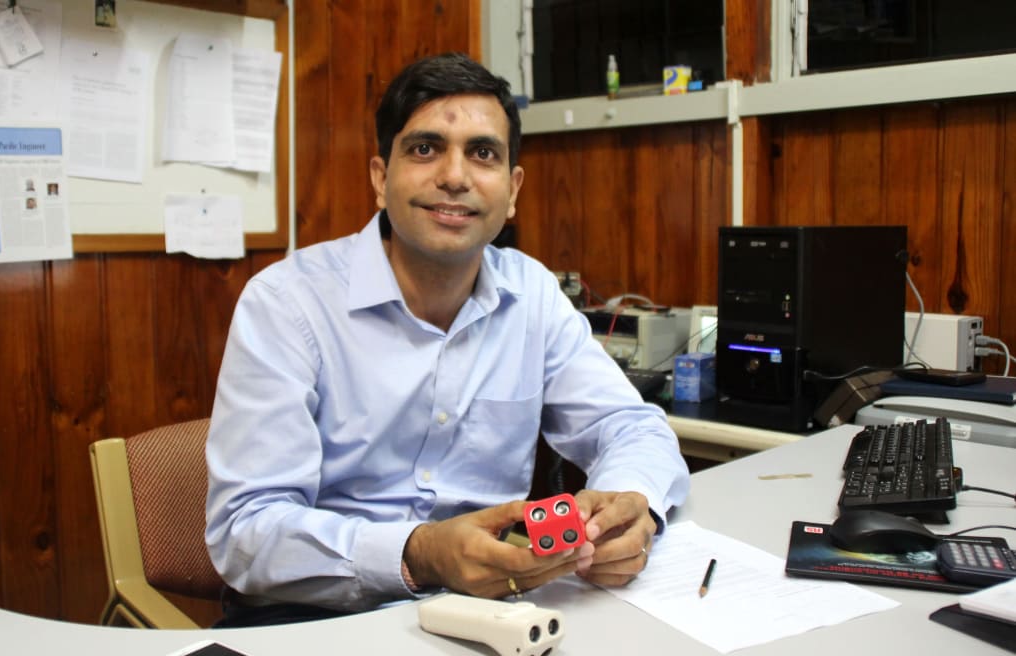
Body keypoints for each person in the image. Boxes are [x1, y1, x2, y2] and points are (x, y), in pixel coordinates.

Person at [205, 52, 690, 627]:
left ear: (511, 190)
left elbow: (632, 427)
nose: (456, 177)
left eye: (482, 153)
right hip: (312, 620)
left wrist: (631, 508)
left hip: (487, 614)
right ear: (380, 178)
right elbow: (245, 530)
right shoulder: (287, 304)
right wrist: (420, 554)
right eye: (424, 149)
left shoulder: (531, 294)